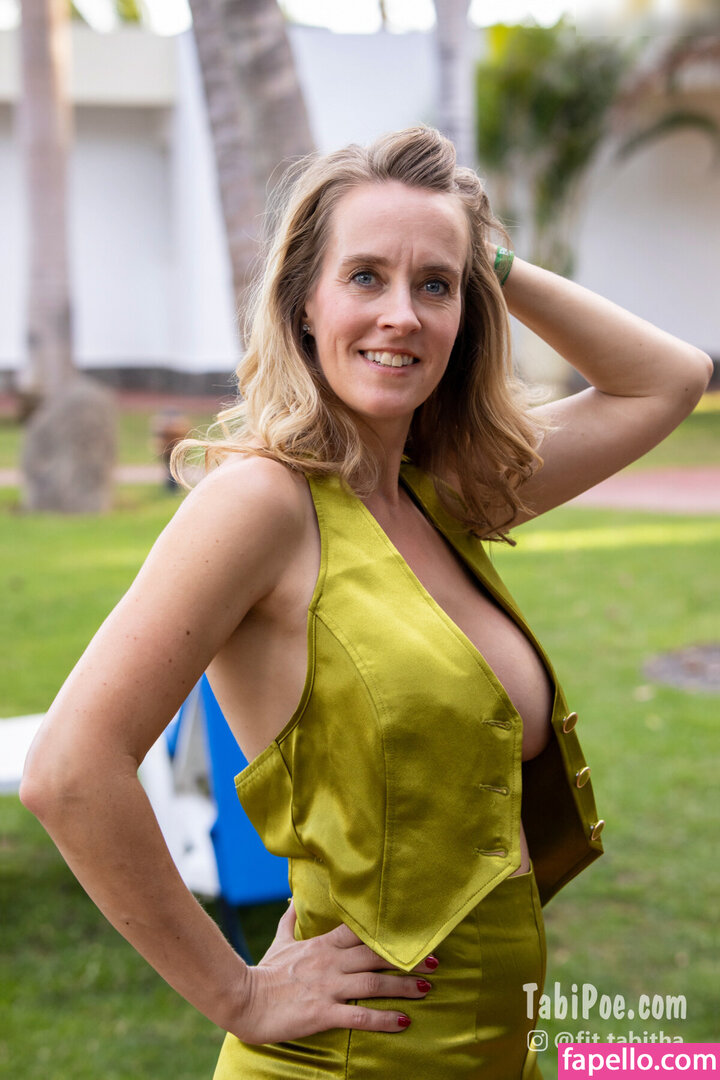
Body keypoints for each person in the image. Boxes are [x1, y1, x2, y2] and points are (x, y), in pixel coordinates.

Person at [20, 126, 712, 1079]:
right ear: (304, 303)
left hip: (494, 1047)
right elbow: (69, 767)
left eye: (435, 286)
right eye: (364, 277)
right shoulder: (260, 503)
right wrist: (239, 994)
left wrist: (489, 258)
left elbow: (669, 380)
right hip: (351, 1058)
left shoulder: (439, 494)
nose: (401, 315)